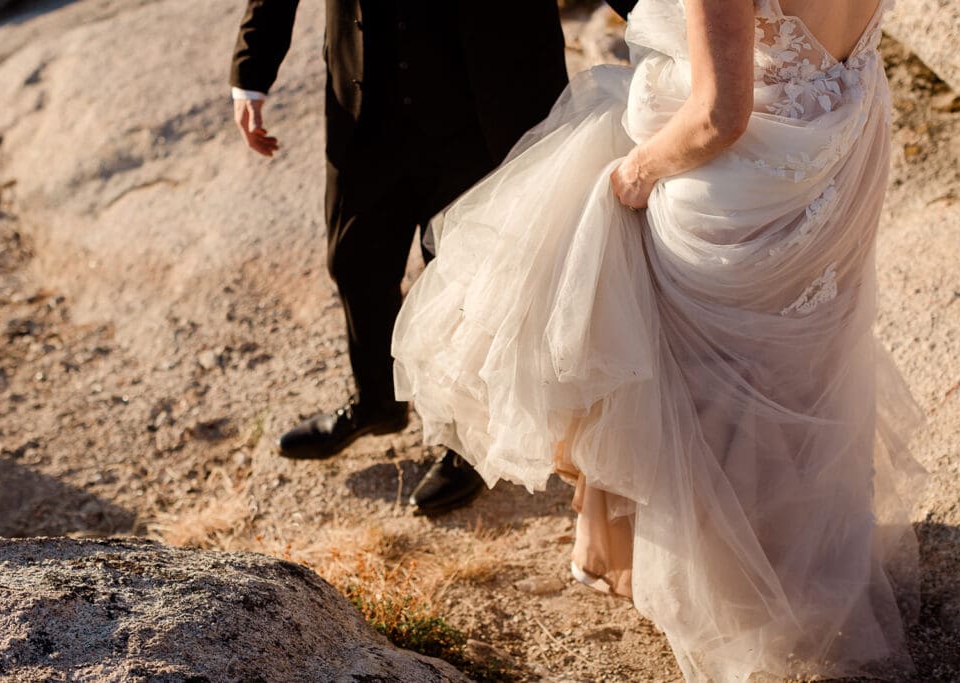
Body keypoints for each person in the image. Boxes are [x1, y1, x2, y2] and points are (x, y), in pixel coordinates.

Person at [392, 0, 927, 680]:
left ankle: (728, 594)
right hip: (841, 149)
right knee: (799, 368)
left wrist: (636, 171)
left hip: (743, 190)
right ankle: (798, 571)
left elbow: (718, 117)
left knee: (693, 372)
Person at [229, 0, 639, 514]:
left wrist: (687, 30)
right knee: (354, 258)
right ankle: (377, 402)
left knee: (468, 282)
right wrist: (252, 73)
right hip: (365, 96)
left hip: (483, 103)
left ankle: (465, 441)